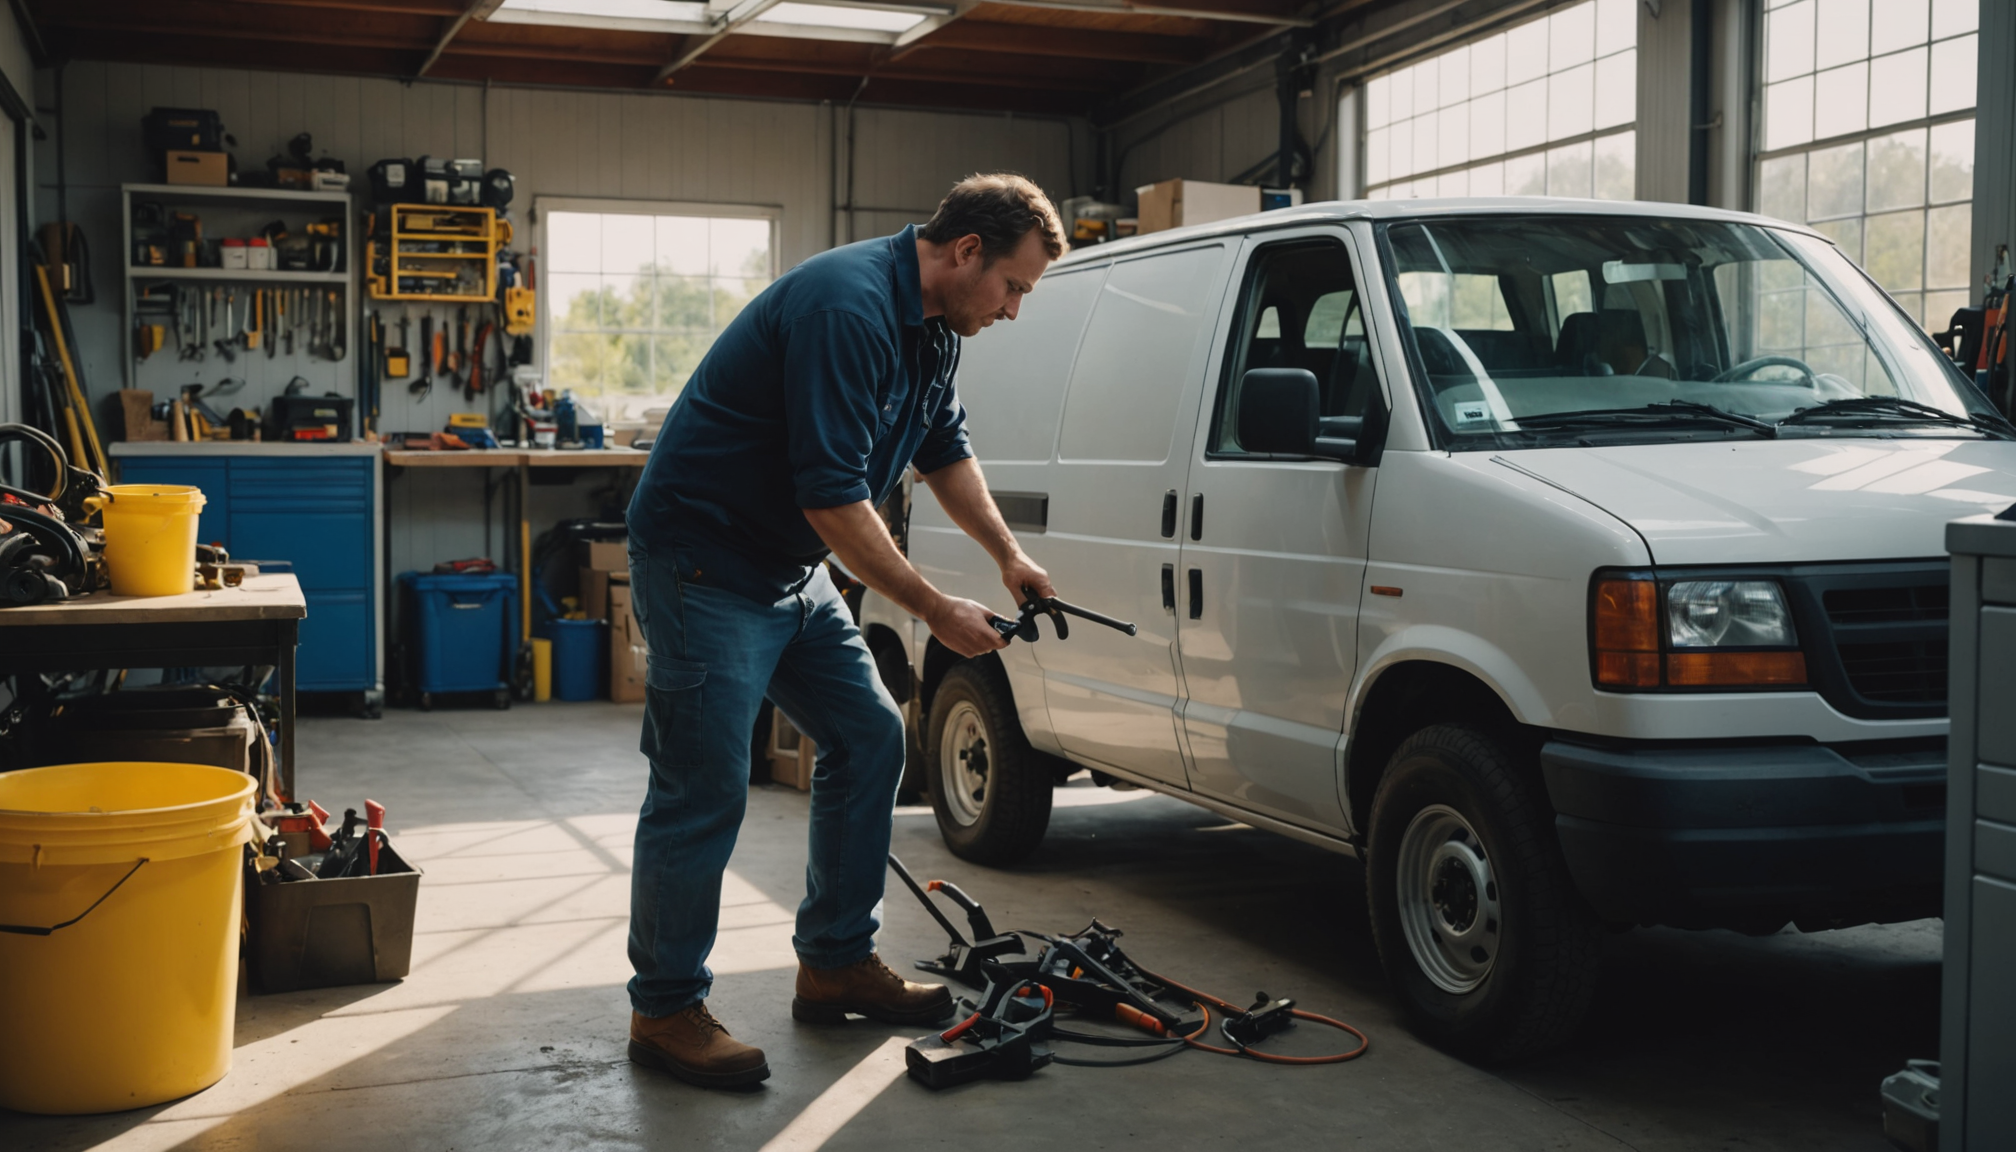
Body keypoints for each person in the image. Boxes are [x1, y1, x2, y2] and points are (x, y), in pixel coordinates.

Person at [622, 173, 1066, 1089]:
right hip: (704, 563)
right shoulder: (847, 307)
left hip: (785, 566)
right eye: (1013, 286)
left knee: (869, 736)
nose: (1014, 310)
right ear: (967, 251)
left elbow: (943, 448)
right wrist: (935, 609)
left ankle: (835, 962)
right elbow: (830, 497)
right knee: (703, 786)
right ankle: (663, 1010)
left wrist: (1008, 556)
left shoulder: (935, 328)